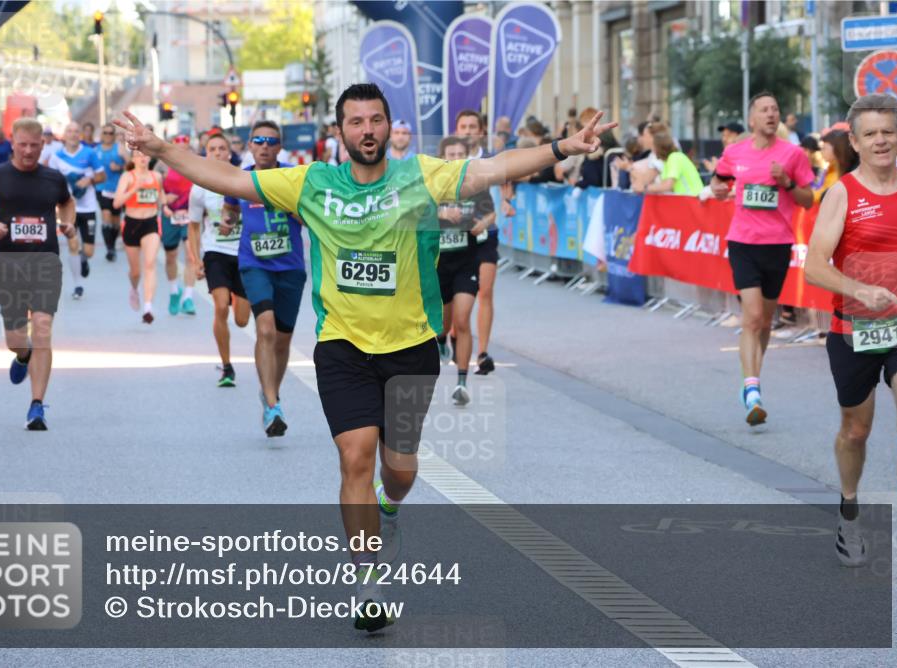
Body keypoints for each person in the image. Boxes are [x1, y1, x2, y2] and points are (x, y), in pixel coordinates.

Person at [116, 82, 614, 631]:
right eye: (355, 122)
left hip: (412, 346)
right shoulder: (312, 184)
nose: (367, 131)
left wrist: (564, 147)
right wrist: (160, 149)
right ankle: (367, 583)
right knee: (354, 456)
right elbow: (231, 179)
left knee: (399, 470)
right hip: (343, 346)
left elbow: (493, 168)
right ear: (340, 131)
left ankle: (390, 506)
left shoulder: (419, 177)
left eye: (375, 120)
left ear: (387, 126)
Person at [804, 94, 897, 573]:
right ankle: (849, 510)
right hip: (855, 330)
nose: (881, 140)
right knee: (856, 430)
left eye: (888, 131)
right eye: (870, 133)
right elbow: (813, 267)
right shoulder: (843, 193)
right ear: (855, 140)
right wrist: (860, 290)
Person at [0, 117, 75, 430]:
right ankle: (22, 355)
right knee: (15, 338)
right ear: (13, 143)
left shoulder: (53, 178)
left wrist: (68, 223)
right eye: (22, 144)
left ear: (42, 145)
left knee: (42, 327)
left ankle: (37, 405)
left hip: (46, 262)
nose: (28, 151)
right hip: (9, 264)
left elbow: (67, 203)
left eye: (34, 146)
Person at [710, 92, 815, 426]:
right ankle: (751, 389)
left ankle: (753, 377)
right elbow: (719, 180)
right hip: (742, 242)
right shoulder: (735, 152)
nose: (771, 114)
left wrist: (786, 182)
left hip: (778, 244)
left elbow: (808, 200)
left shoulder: (793, 154)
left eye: (775, 109)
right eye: (764, 110)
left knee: (765, 321)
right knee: (752, 316)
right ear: (752, 119)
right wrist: (717, 188)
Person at [226, 121, 307, 434]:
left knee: (283, 339)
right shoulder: (240, 177)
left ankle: (270, 391)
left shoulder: (293, 177)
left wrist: (287, 204)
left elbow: (308, 217)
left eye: (271, 141)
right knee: (266, 329)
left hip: (290, 266)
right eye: (258, 140)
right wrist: (227, 220)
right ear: (249, 145)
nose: (264, 146)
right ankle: (273, 407)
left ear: (279, 147)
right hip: (254, 263)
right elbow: (230, 209)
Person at [187, 133, 253, 387]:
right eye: (212, 148)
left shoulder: (242, 180)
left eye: (221, 148)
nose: (216, 152)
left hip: (244, 253)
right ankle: (227, 366)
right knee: (220, 305)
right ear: (206, 153)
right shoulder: (199, 187)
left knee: (242, 319)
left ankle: (238, 298)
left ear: (229, 152)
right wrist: (196, 260)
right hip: (215, 252)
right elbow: (193, 227)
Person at [434, 136, 494, 406]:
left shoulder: (475, 184)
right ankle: (440, 337)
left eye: (461, 153)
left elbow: (491, 214)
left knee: (463, 320)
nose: (457, 157)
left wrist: (482, 224)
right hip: (439, 264)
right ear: (443, 157)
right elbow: (414, 213)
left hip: (466, 261)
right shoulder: (434, 184)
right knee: (444, 324)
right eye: (452, 153)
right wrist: (441, 215)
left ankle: (461, 382)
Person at [455, 108, 499, 374]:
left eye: (473, 126)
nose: (469, 131)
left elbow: (505, 200)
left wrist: (486, 219)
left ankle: (482, 353)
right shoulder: (450, 158)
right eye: (464, 126)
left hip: (486, 234)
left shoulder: (492, 160)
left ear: (481, 131)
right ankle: (457, 335)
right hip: (457, 237)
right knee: (457, 296)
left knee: (485, 291)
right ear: (457, 130)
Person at [48, 121, 105, 300]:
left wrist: (88, 181)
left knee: (88, 251)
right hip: (67, 207)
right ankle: (78, 285)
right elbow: (49, 180)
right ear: (64, 135)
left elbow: (102, 175)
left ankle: (83, 258)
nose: (73, 134)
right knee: (72, 244)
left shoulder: (90, 153)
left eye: (76, 131)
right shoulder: (56, 156)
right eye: (69, 131)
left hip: (88, 207)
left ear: (80, 134)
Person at [113, 149, 165, 323]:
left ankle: (148, 306)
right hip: (132, 225)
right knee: (136, 271)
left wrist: (167, 207)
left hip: (150, 223)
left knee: (150, 264)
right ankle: (134, 289)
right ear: (133, 159)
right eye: (139, 155)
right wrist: (135, 188)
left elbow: (160, 198)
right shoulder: (127, 177)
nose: (143, 158)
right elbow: (117, 203)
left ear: (150, 157)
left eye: (145, 154)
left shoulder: (157, 176)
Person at [161, 135, 197, 315]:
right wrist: (163, 202)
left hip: (190, 216)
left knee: (192, 255)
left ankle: (188, 297)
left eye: (186, 148)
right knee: (170, 256)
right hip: (170, 215)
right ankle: (175, 290)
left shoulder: (196, 164)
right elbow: (154, 186)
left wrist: (197, 209)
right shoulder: (163, 165)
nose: (182, 151)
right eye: (179, 148)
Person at [636, 130, 703, 196]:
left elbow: (668, 186)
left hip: (692, 201)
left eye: (653, 146)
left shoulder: (674, 157)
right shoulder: (669, 160)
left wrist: (645, 188)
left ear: (659, 147)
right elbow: (664, 185)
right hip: (687, 201)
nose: (652, 149)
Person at [94, 124, 126, 262]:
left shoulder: (119, 148)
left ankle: (112, 244)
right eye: (105, 133)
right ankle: (109, 249)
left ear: (114, 135)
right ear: (101, 135)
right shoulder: (95, 150)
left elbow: (132, 165)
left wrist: (119, 167)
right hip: (101, 188)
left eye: (110, 133)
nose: (107, 135)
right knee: (106, 215)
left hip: (117, 189)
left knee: (115, 222)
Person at [814, 129, 859, 202]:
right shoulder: (831, 169)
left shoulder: (851, 175)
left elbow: (824, 196)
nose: (821, 152)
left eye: (824, 148)